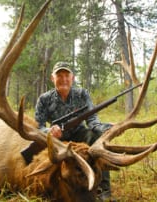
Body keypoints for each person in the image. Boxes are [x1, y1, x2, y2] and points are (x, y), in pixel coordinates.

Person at [22, 61, 113, 200]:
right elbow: (39, 126)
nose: (63, 79)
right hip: (58, 140)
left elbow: (92, 120)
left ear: (72, 78)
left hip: (79, 135)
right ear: (53, 78)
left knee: (95, 137)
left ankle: (103, 188)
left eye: (67, 75)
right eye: (59, 75)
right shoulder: (44, 99)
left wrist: (105, 128)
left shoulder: (82, 94)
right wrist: (49, 131)